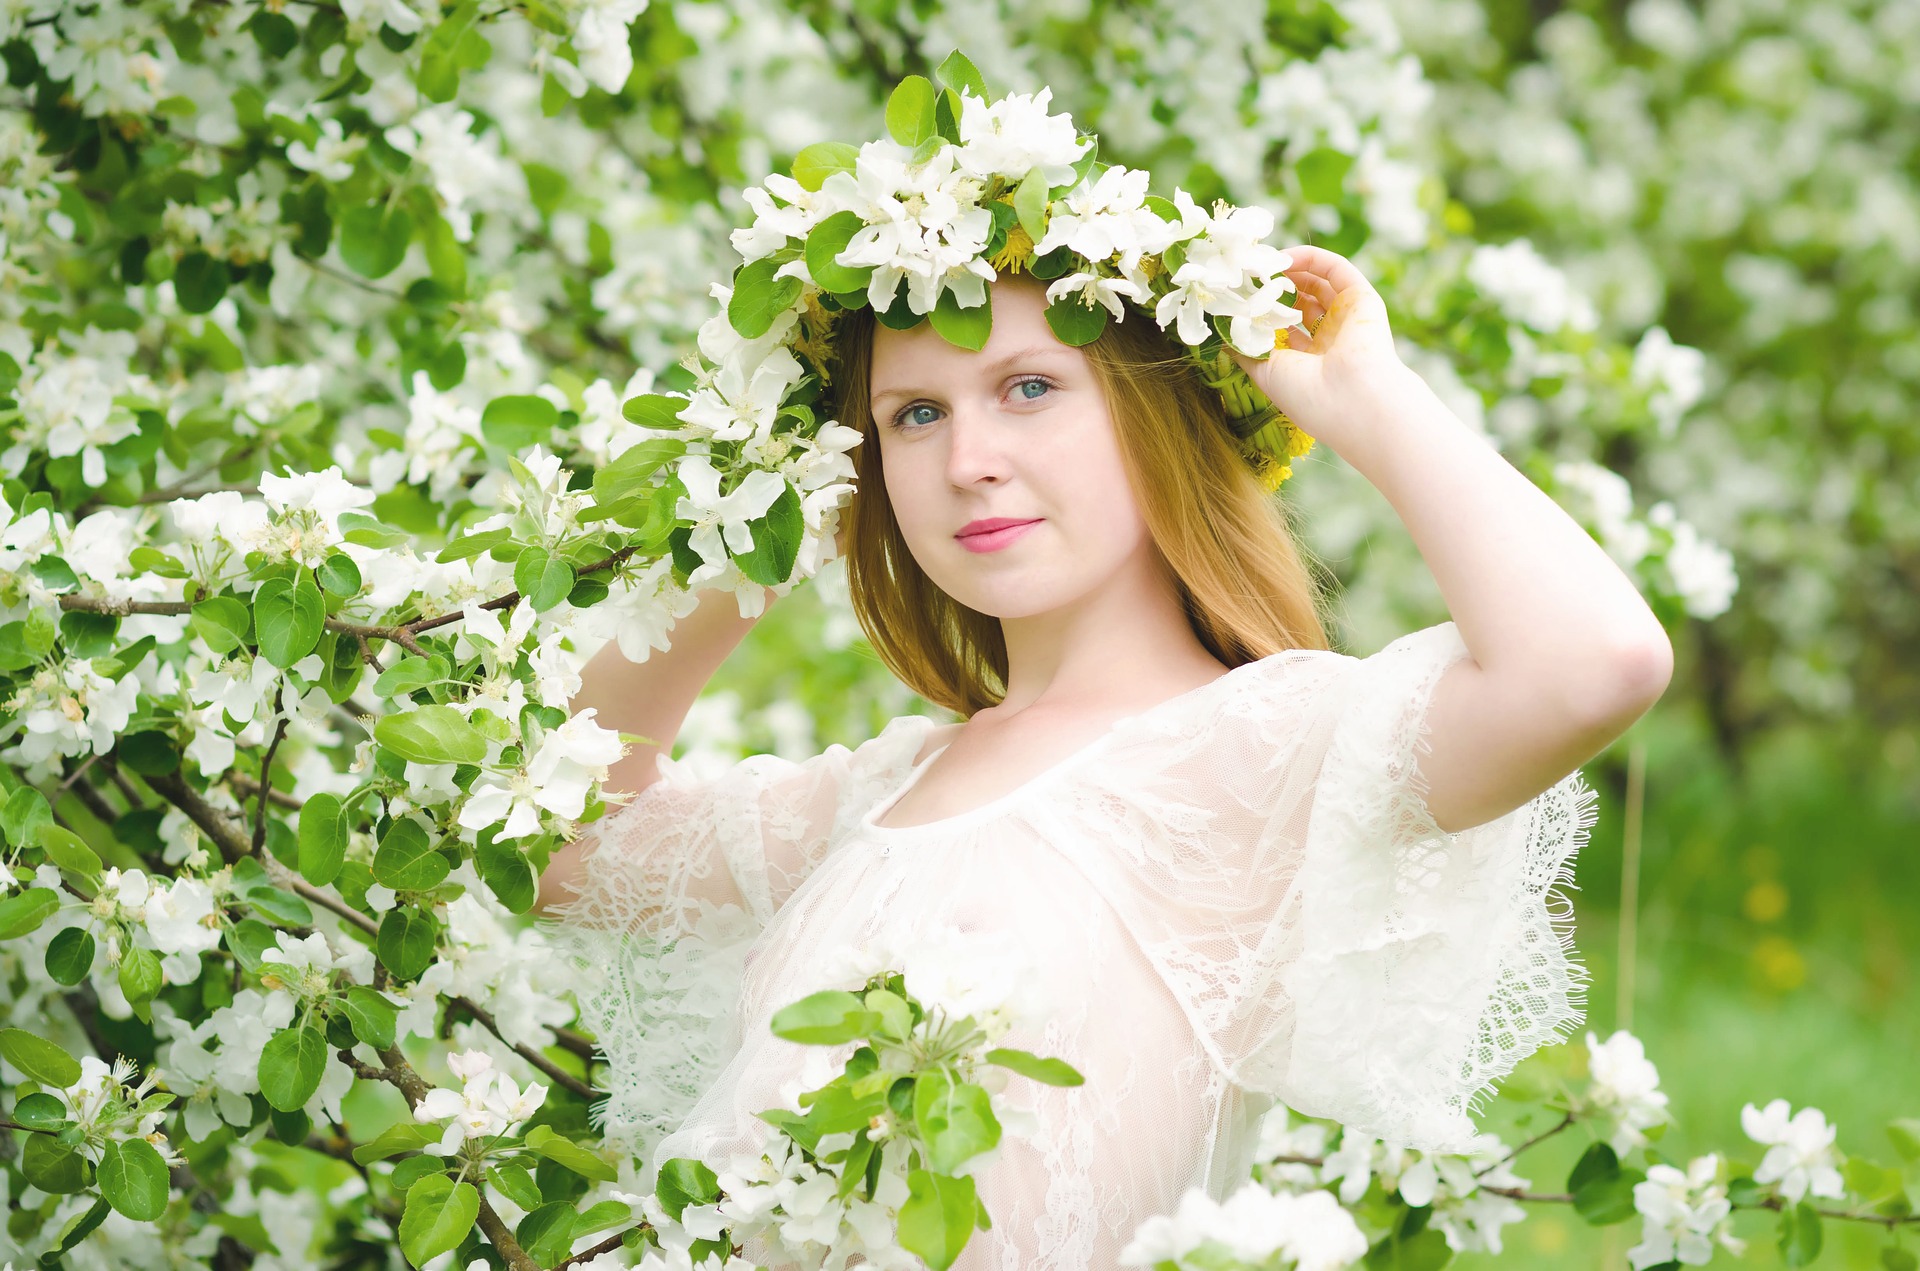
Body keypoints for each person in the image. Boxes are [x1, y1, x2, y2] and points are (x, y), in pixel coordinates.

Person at [534, 246, 1672, 1267]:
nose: (968, 458)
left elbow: (1592, 665)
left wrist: (1365, 399)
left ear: (1148, 413)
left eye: (1030, 388)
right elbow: (552, 840)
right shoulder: (885, 790)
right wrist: (742, 526)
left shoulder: (1252, 750)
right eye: (912, 415)